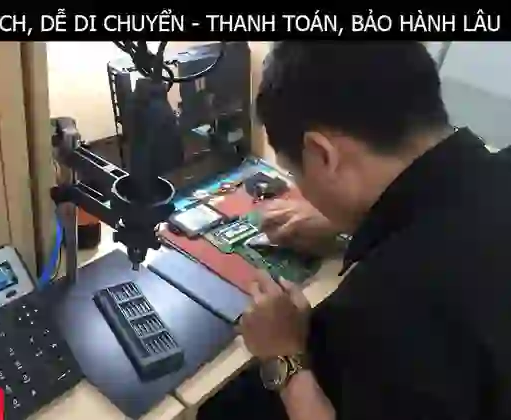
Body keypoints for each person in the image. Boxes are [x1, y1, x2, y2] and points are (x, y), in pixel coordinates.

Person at [197, 42, 511, 420]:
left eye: (296, 173)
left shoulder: (386, 305)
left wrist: (283, 356)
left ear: (323, 154)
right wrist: (353, 218)